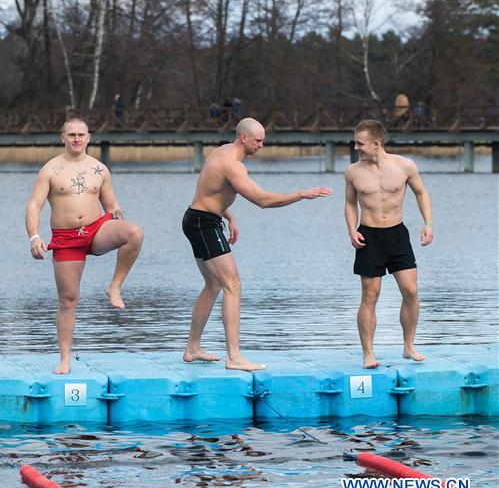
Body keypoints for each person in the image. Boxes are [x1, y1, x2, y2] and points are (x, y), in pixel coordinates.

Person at [181, 118, 332, 371]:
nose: (262, 145)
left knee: (214, 284)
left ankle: (192, 348)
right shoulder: (233, 165)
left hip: (200, 219)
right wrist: (302, 194)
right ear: (243, 138)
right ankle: (234, 357)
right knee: (232, 284)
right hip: (203, 224)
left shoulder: (222, 152)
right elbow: (262, 200)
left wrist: (228, 215)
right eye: (258, 140)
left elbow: (209, 192)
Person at [26, 117, 144, 374]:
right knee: (68, 299)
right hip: (66, 238)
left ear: (89, 137)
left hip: (95, 229)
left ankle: (114, 286)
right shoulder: (50, 170)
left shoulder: (100, 170)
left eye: (81, 134)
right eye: (72, 135)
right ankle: (65, 359)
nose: (77, 139)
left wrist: (116, 218)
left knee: (134, 233)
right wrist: (34, 236)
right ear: (63, 138)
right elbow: (34, 205)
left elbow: (112, 206)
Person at [344, 119, 432, 369]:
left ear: (376, 143)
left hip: (397, 235)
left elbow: (421, 193)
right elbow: (350, 203)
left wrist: (428, 223)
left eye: (360, 143)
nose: (356, 147)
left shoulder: (405, 166)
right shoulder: (353, 172)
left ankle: (408, 346)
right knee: (370, 295)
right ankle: (368, 353)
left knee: (411, 292)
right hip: (368, 236)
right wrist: (351, 229)